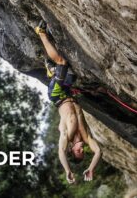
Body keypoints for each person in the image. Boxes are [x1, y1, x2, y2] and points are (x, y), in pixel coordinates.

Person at [35, 21, 101, 184]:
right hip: (69, 92)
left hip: (57, 96)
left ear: (72, 150)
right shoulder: (86, 137)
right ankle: (52, 73)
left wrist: (68, 171)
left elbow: (60, 152)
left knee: (62, 63)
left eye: (79, 153)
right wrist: (91, 168)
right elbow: (98, 151)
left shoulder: (66, 134)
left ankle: (41, 33)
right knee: (71, 75)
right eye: (84, 153)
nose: (83, 151)